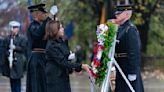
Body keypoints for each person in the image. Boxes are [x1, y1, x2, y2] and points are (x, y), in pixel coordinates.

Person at [44, 20, 91, 92]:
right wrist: (81, 66)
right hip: (55, 77)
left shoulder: (61, 41)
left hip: (62, 75)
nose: (63, 29)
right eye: (61, 28)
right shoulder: (51, 45)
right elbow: (62, 62)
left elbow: (66, 55)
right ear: (54, 30)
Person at [111, 4, 144, 92]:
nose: (116, 15)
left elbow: (134, 52)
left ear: (126, 14)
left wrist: (132, 72)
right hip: (120, 67)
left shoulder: (130, 29)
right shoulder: (120, 29)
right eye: (117, 13)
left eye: (119, 13)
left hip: (128, 68)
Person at [26, 3, 51, 92]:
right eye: (42, 13)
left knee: (44, 84)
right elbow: (38, 34)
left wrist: (52, 20)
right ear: (36, 14)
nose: (44, 15)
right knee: (36, 85)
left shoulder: (43, 25)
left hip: (43, 57)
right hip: (36, 58)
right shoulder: (33, 26)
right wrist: (47, 20)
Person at [1, 21, 26, 92]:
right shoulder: (7, 39)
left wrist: (15, 48)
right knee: (12, 81)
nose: (16, 29)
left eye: (17, 27)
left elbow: (23, 48)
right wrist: (7, 53)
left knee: (17, 82)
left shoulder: (21, 38)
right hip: (10, 62)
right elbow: (4, 49)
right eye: (14, 28)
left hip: (18, 63)